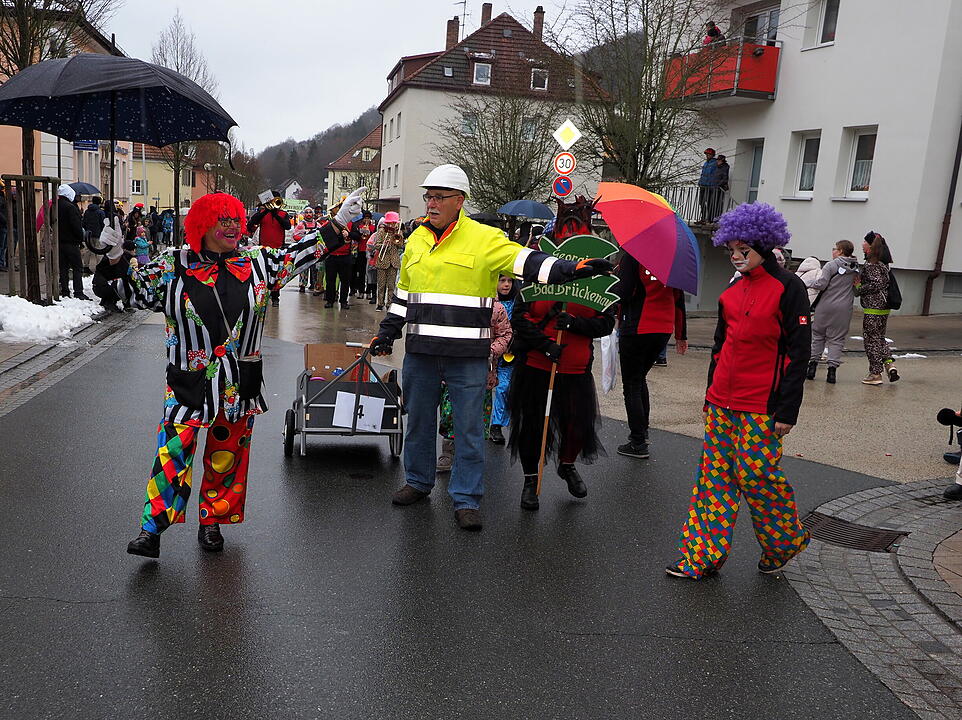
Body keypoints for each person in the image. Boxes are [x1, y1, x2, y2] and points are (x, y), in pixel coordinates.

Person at [104, 188, 364, 559]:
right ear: (202, 225)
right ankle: (152, 529)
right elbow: (133, 293)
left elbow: (299, 255)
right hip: (187, 382)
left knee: (226, 455)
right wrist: (114, 257)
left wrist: (337, 224)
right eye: (221, 220)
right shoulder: (173, 264)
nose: (231, 227)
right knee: (171, 454)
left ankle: (212, 520)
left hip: (238, 382)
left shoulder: (259, 262)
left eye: (235, 220)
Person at [369, 164, 613, 531]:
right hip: (421, 353)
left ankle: (466, 498)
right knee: (418, 422)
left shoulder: (484, 238)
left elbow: (526, 262)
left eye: (439, 197)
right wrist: (388, 331)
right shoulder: (417, 239)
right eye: (428, 196)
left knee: (468, 429)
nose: (431, 203)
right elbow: (405, 292)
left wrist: (571, 268)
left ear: (459, 201)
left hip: (467, 357)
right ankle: (418, 482)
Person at [666, 202, 811, 580]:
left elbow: (799, 353)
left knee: (756, 475)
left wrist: (787, 410)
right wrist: (708, 395)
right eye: (730, 249)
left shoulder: (789, 288)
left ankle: (784, 542)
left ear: (763, 245)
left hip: (762, 405)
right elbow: (720, 348)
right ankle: (701, 557)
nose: (735, 256)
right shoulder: (731, 291)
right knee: (713, 482)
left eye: (742, 250)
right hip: (721, 404)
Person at [509, 300, 614, 510]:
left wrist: (575, 323)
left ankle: (567, 463)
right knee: (533, 426)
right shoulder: (536, 282)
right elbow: (519, 318)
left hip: (576, 368)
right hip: (537, 365)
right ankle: (531, 479)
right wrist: (545, 345)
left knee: (578, 423)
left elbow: (606, 323)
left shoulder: (596, 287)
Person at [615, 254, 688, 459]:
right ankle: (642, 433)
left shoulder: (633, 255)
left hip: (638, 325)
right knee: (639, 380)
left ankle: (638, 441)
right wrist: (681, 335)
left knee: (631, 384)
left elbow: (624, 293)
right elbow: (679, 299)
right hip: (663, 328)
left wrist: (615, 278)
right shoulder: (673, 258)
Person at [437, 299, 512, 473]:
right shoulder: (454, 301)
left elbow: (505, 335)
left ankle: (471, 455)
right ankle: (448, 449)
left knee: (477, 415)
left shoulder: (496, 308)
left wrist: (490, 350)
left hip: (482, 374)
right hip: (452, 369)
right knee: (449, 412)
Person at [807, 240, 858, 384]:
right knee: (837, 339)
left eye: (835, 248)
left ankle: (812, 367)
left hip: (826, 306)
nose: (833, 251)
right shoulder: (855, 268)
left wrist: (810, 283)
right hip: (844, 309)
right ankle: (832, 372)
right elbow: (857, 289)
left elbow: (822, 284)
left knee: (818, 335)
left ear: (841, 251)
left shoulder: (831, 265)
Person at [855, 231, 899, 385]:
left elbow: (876, 284)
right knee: (879, 338)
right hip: (883, 307)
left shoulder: (872, 264)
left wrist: (859, 287)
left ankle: (875, 374)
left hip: (873, 308)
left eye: (864, 242)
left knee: (871, 341)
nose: (862, 244)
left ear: (870, 246)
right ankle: (889, 365)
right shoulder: (883, 263)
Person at [246, 190, 291, 307]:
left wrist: (275, 214)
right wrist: (266, 210)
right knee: (263, 274)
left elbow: (287, 226)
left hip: (278, 249)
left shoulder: (283, 214)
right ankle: (263, 295)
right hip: (263, 249)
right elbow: (251, 223)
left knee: (276, 275)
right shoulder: (262, 213)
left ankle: (275, 298)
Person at [489, 275, 519, 444]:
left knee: (504, 387)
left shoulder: (517, 303)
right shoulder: (488, 300)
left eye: (510, 281)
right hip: (488, 353)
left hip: (508, 353)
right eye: (502, 280)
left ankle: (497, 425)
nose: (506, 284)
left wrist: (514, 343)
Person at [56, 184, 89, 300]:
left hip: (59, 242)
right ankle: (78, 291)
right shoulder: (71, 207)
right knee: (77, 267)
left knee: (63, 268)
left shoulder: (54, 206)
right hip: (71, 242)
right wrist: (80, 238)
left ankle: (65, 291)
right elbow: (76, 226)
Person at [370, 211, 404, 310]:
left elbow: (401, 245)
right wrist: (385, 244)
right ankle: (380, 304)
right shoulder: (381, 231)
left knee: (391, 285)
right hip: (382, 260)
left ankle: (390, 303)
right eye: (390, 223)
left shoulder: (398, 232)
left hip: (394, 261)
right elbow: (376, 245)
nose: (392, 225)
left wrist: (397, 242)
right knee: (381, 284)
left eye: (394, 223)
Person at [294, 206, 322, 295]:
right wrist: (304, 237)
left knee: (316, 269)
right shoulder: (301, 225)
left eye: (310, 212)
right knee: (303, 268)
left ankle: (315, 284)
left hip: (315, 251)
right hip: (304, 251)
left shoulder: (318, 225)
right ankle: (302, 285)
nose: (308, 214)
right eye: (306, 212)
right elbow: (295, 236)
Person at [350, 210, 376, 298]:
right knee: (361, 272)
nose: (367, 220)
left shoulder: (373, 227)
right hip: (361, 250)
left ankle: (369, 292)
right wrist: (360, 232)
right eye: (365, 218)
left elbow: (375, 238)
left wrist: (370, 232)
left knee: (369, 273)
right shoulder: (359, 226)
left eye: (368, 218)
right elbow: (356, 237)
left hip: (370, 251)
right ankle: (361, 291)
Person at [697, 148, 720, 223]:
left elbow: (715, 174)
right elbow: (703, 174)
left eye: (709, 154)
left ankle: (709, 218)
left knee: (709, 203)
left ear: (712, 155)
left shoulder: (715, 163)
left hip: (710, 186)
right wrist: (700, 182)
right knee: (701, 202)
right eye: (706, 154)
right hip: (703, 185)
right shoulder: (706, 163)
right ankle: (703, 218)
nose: (707, 155)